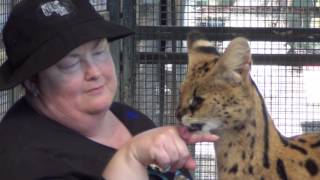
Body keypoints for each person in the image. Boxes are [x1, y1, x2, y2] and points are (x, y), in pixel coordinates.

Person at [0, 0, 219, 179]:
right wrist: (129, 159)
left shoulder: (126, 115)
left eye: (99, 52)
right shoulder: (24, 161)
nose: (94, 71)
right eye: (70, 63)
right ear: (32, 81)